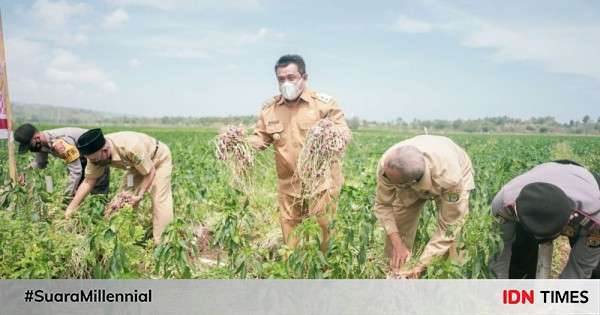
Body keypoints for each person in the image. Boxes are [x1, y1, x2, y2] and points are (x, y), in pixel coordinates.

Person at [247, 54, 351, 251]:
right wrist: (239, 143)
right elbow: (260, 139)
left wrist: (330, 134)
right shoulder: (270, 110)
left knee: (324, 229)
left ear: (304, 77)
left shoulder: (324, 105)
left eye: (291, 77)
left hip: (322, 182)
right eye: (281, 79)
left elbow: (343, 134)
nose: (286, 82)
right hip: (289, 184)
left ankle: (324, 270)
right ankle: (291, 272)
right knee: (290, 230)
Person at [374, 135, 474, 278]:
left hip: (453, 172)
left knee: (452, 241)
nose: (386, 178)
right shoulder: (387, 166)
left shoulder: (450, 178)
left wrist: (422, 264)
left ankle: (446, 279)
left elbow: (450, 226)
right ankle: (395, 276)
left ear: (410, 183)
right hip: (407, 177)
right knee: (398, 230)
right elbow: (383, 205)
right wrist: (397, 244)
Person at [489, 160, 600, 279]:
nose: (539, 239)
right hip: (543, 173)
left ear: (569, 220)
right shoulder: (504, 204)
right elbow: (500, 250)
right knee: (520, 256)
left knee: (596, 270)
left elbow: (581, 266)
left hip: (584, 181)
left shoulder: (594, 215)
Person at [65, 128, 173, 243]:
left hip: (158, 159)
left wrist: (139, 195)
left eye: (95, 160)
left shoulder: (131, 146)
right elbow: (88, 181)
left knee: (159, 199)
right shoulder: (95, 156)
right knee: (122, 199)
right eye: (91, 160)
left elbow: (150, 172)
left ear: (105, 151)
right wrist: (70, 209)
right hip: (134, 167)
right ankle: (121, 239)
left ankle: (163, 243)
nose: (93, 162)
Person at [14, 124, 109, 196]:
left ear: (37, 138)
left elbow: (76, 172)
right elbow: (40, 163)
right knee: (79, 193)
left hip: (97, 154)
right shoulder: (41, 144)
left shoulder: (62, 143)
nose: (30, 149)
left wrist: (65, 197)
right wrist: (25, 171)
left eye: (29, 145)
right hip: (82, 158)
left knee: (97, 194)